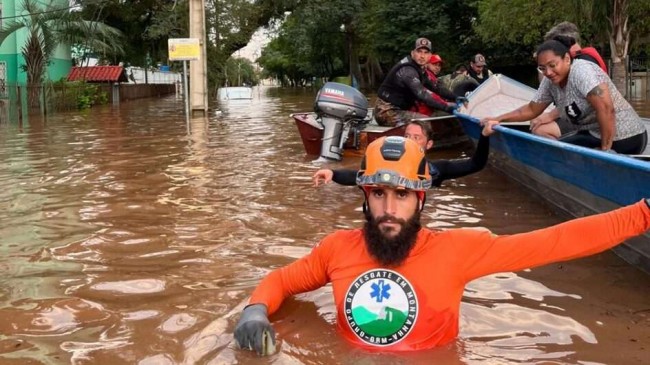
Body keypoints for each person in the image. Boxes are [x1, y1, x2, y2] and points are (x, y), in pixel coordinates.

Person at [233, 135, 650, 354]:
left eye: (402, 196)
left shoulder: (459, 249)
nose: (389, 209)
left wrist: (644, 213)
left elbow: (557, 241)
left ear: (421, 199)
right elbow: (282, 280)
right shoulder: (336, 249)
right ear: (364, 197)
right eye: (378, 194)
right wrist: (254, 312)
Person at [483, 39, 647, 154]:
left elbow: (606, 108)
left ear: (567, 59)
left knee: (562, 153)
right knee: (556, 150)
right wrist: (498, 119)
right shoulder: (550, 81)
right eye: (542, 68)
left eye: (552, 65)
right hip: (593, 134)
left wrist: (605, 151)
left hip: (628, 137)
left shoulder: (582, 71)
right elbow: (531, 110)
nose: (548, 72)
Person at [312, 119, 497, 188]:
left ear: (429, 144)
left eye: (416, 137)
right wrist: (333, 173)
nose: (409, 140)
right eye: (407, 136)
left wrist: (485, 136)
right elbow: (360, 177)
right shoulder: (388, 165)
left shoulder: (437, 170)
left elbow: (476, 164)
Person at [531, 21, 609, 138]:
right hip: (585, 116)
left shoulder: (582, 65)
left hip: (591, 122)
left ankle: (564, 155)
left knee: (540, 130)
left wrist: (549, 116)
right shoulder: (578, 60)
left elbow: (581, 104)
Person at [374, 38, 462, 127]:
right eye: (419, 51)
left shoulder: (421, 68)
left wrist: (456, 97)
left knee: (444, 116)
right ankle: (423, 140)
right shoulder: (408, 70)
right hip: (386, 111)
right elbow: (422, 93)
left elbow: (436, 87)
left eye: (426, 52)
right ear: (412, 53)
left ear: (430, 55)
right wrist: (446, 106)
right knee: (423, 122)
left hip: (400, 109)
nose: (422, 56)